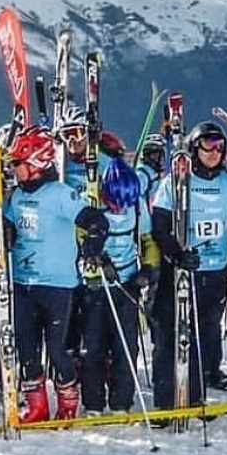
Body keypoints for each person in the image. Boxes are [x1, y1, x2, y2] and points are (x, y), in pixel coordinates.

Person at [4, 127, 109, 423]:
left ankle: (67, 403)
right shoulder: (16, 196)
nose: (14, 170)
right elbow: (7, 225)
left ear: (37, 163)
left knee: (58, 350)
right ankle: (37, 406)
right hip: (23, 282)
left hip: (57, 285)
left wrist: (93, 239)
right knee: (26, 347)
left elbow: (95, 219)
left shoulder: (62, 194)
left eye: (18, 163)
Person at [150, 121, 227, 416]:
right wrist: (176, 254)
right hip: (179, 272)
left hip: (214, 271)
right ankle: (164, 399)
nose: (214, 151)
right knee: (170, 333)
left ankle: (194, 395)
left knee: (205, 334)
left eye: (220, 146)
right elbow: (160, 225)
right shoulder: (175, 182)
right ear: (195, 147)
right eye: (207, 145)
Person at [79, 156, 157, 417]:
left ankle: (121, 401)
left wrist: (148, 269)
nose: (120, 209)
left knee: (126, 346)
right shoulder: (91, 206)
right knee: (94, 346)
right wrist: (96, 257)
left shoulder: (137, 208)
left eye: (125, 204)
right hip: (96, 285)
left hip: (127, 284)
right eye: (115, 203)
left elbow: (148, 241)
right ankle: (93, 402)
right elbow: (79, 245)